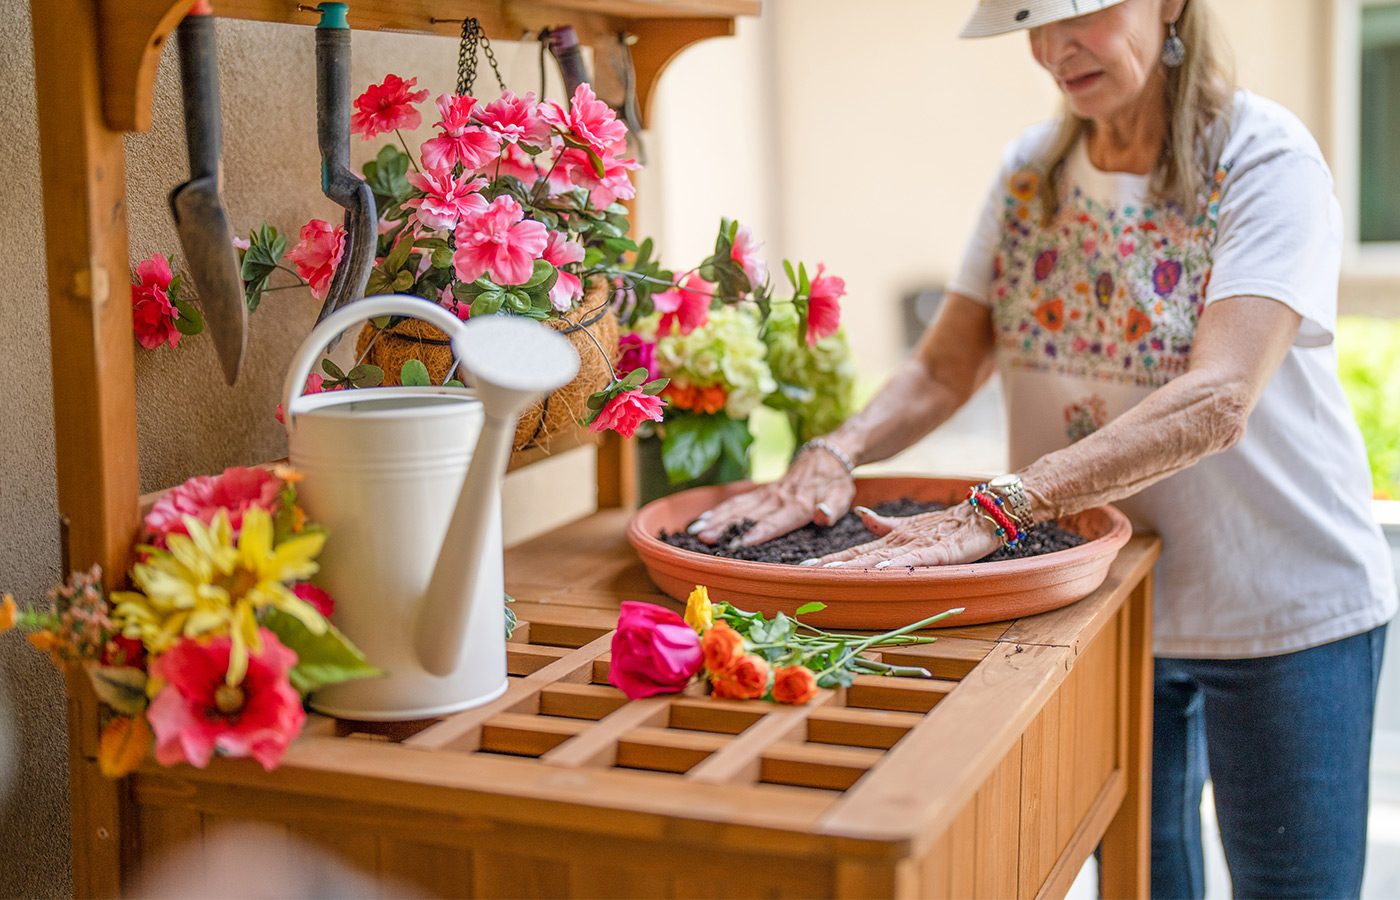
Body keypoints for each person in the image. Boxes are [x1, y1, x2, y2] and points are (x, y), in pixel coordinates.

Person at [693, 0, 1398, 897]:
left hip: (1281, 608)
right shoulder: (1030, 172)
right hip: (1107, 603)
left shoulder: (1265, 158)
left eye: (1083, 10)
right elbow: (946, 368)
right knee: (1141, 880)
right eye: (1028, 16)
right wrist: (835, 451)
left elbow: (1221, 398)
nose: (1050, 45)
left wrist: (1005, 504)